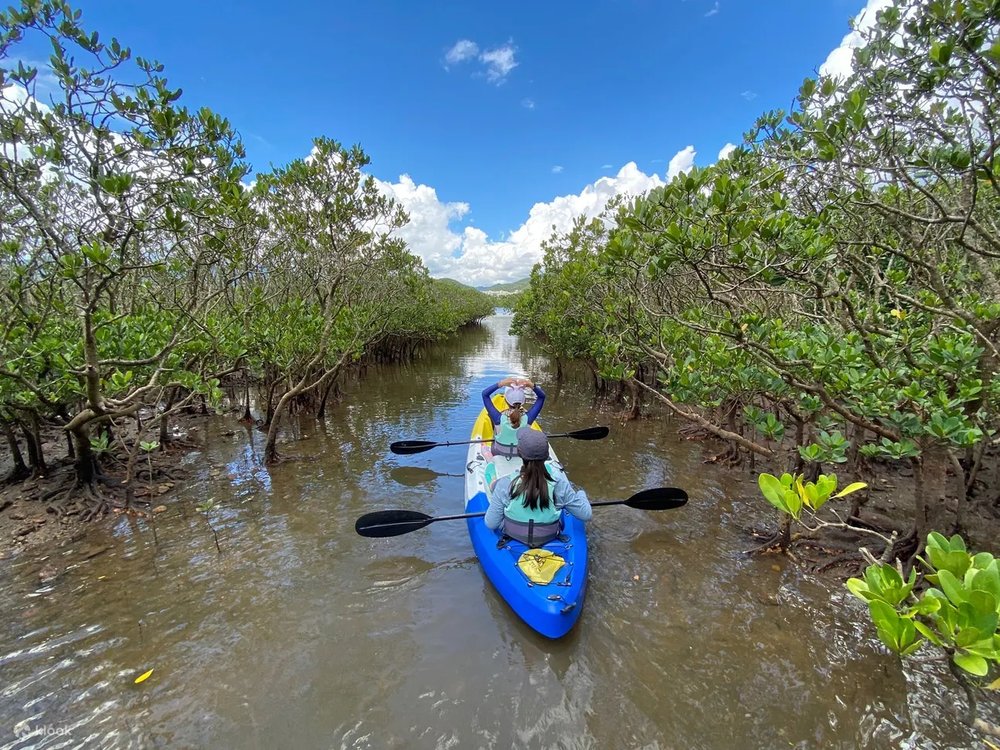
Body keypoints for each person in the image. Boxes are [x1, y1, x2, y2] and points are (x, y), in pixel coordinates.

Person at [485, 429, 592, 547]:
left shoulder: (505, 484)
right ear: (547, 456)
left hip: (514, 537)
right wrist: (581, 493)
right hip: (549, 537)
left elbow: (491, 523)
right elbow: (586, 514)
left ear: (520, 454)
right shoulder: (559, 485)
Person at [481, 376, 546, 461]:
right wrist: (530, 385)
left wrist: (501, 384)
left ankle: (489, 458)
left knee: (492, 441)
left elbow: (484, 394)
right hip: (520, 454)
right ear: (523, 401)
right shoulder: (528, 418)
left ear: (506, 400)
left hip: (498, 452)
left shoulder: (498, 418)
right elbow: (542, 397)